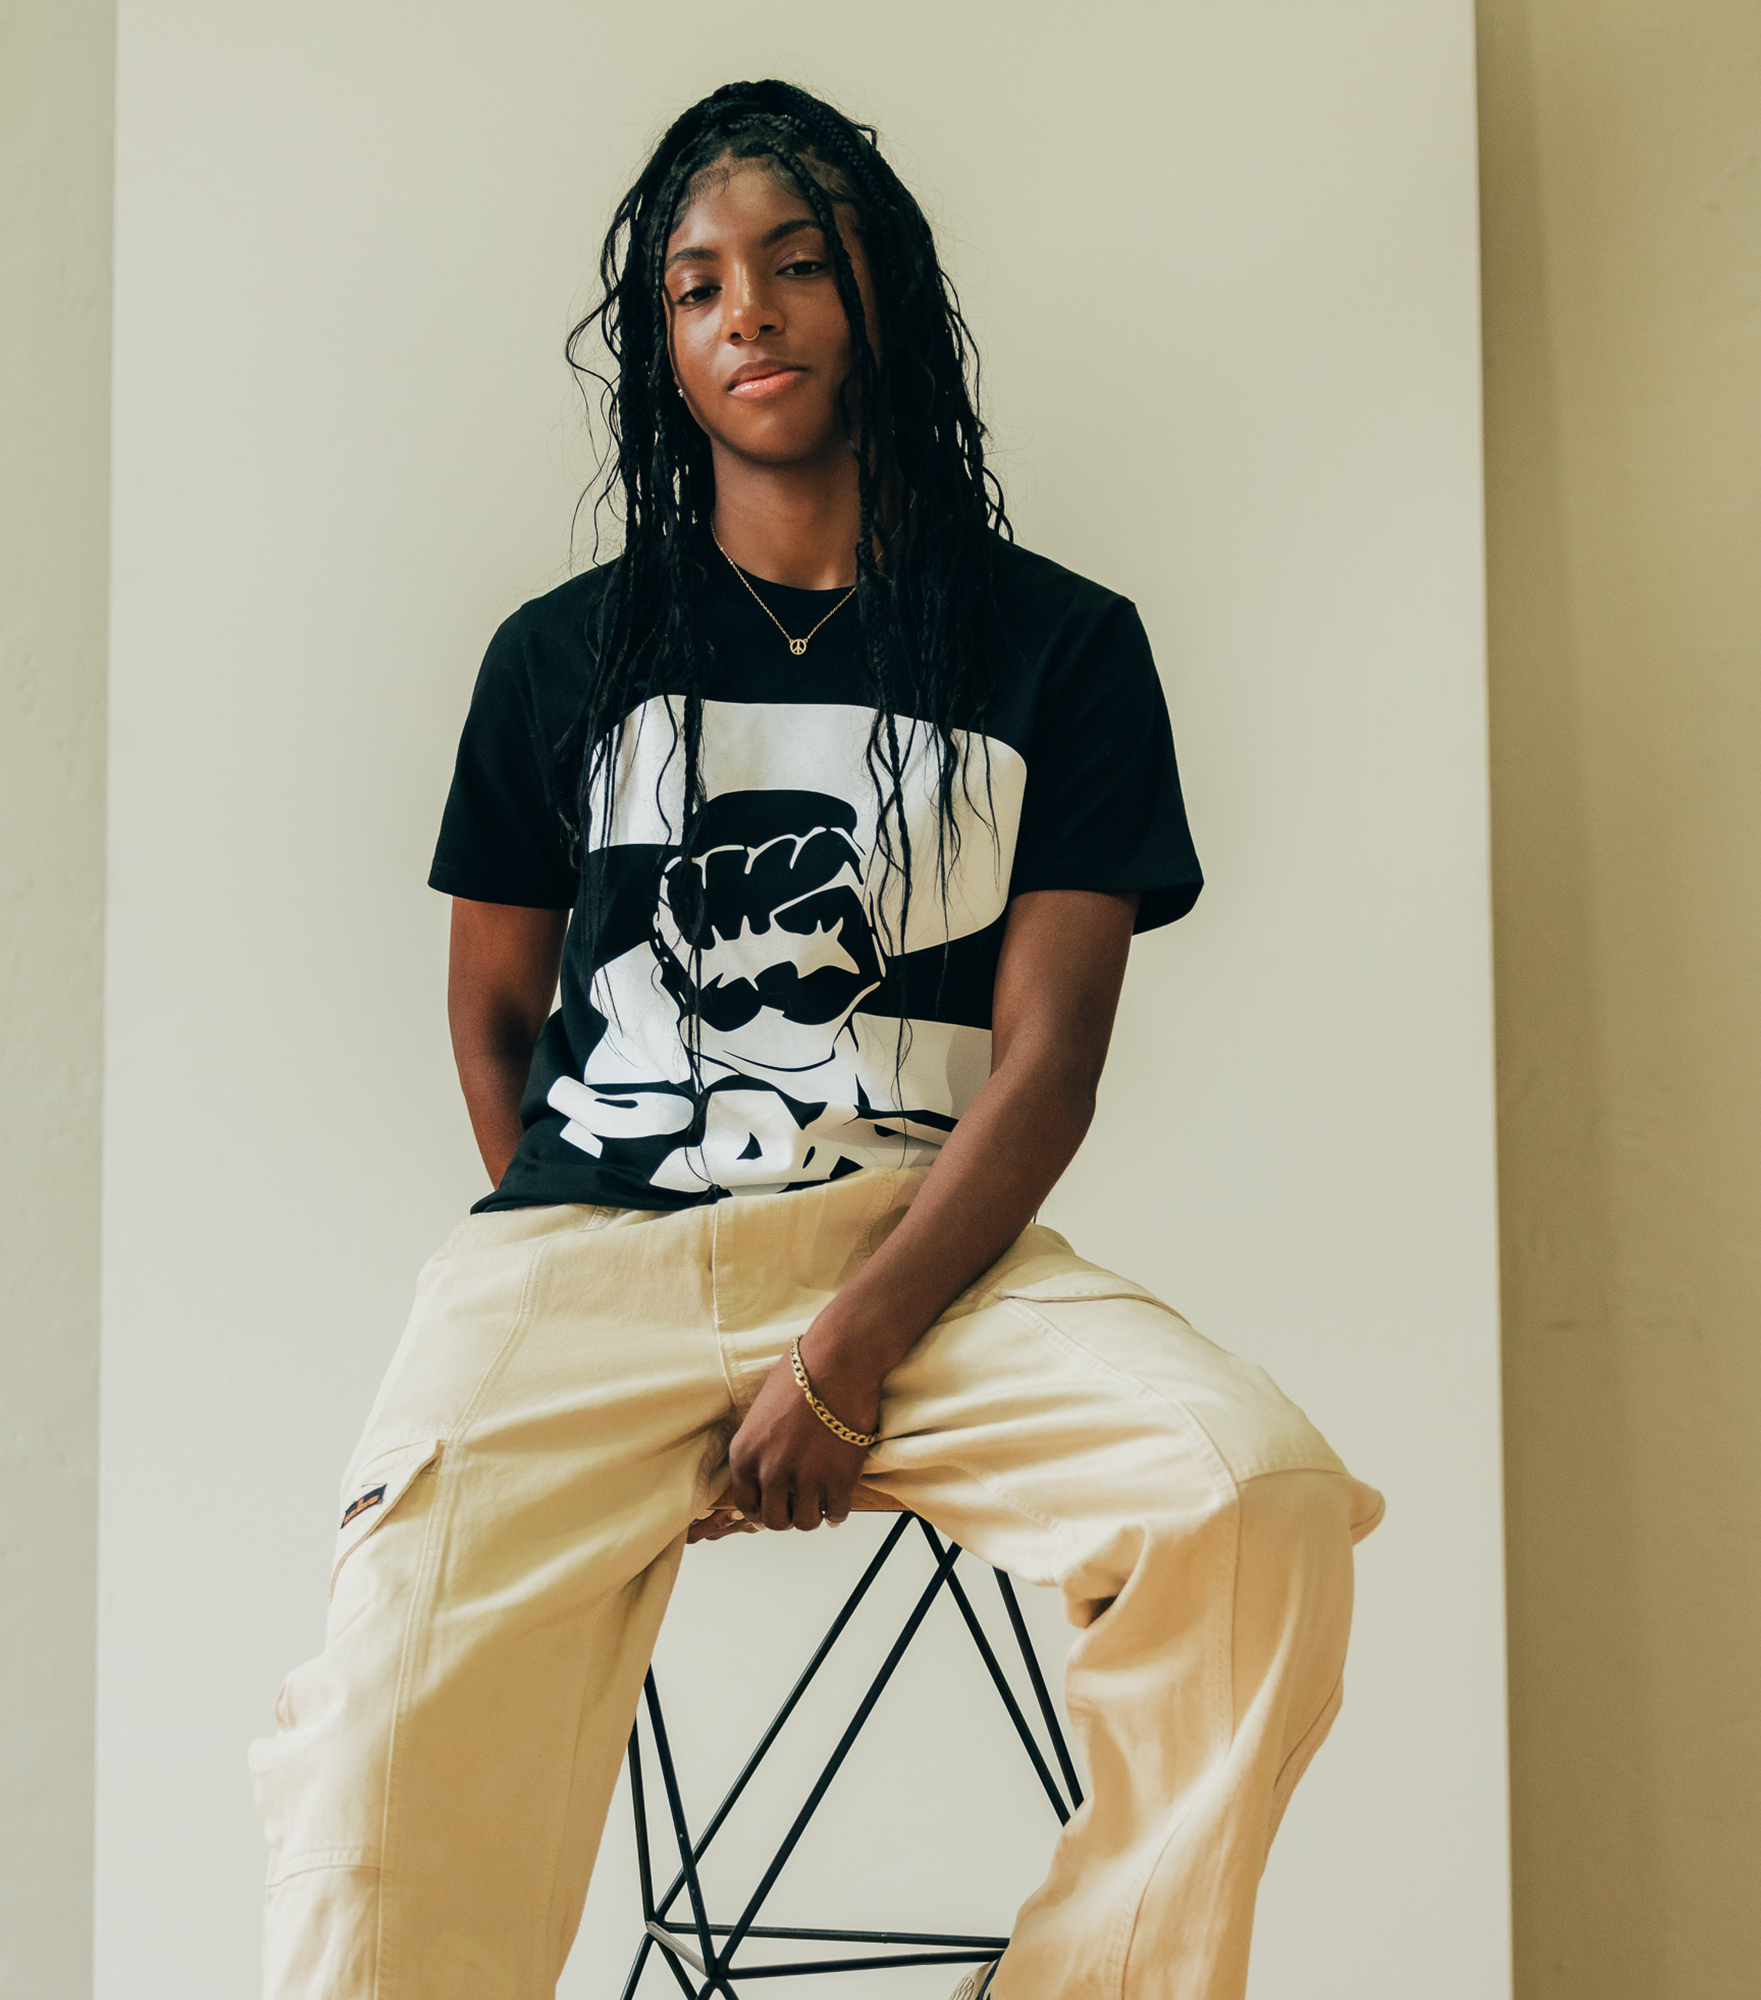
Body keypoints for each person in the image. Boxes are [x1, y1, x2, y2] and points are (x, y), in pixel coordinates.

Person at [249, 77, 1383, 2000]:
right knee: (371, 1745)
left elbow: (1049, 1060)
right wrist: (592, 1302)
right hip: (586, 1258)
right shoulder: (560, 653)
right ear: (663, 352)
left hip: (921, 1270)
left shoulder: (1058, 650)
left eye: (793, 266)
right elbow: (498, 1011)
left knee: (1251, 1495)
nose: (746, 313)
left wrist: (849, 1347)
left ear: (883, 302)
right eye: (697, 289)